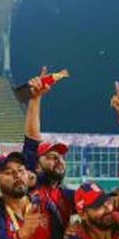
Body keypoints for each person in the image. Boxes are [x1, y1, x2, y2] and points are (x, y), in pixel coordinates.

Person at [26, 67, 75, 226]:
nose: (59, 160)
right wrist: (35, 99)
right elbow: (32, 140)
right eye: (52, 157)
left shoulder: (67, 196)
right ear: (36, 165)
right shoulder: (30, 185)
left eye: (61, 157)